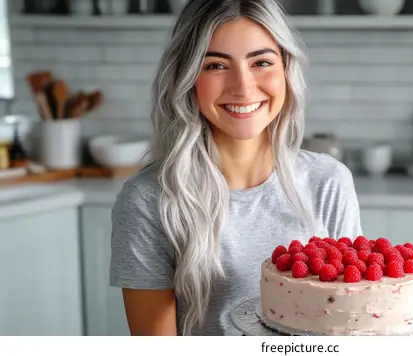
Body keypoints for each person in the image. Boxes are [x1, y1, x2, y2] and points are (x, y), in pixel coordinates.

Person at [109, 0, 363, 336]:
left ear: (286, 70)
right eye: (215, 65)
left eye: (261, 62)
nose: (243, 87)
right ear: (187, 77)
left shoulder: (329, 181)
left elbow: (351, 320)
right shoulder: (149, 200)